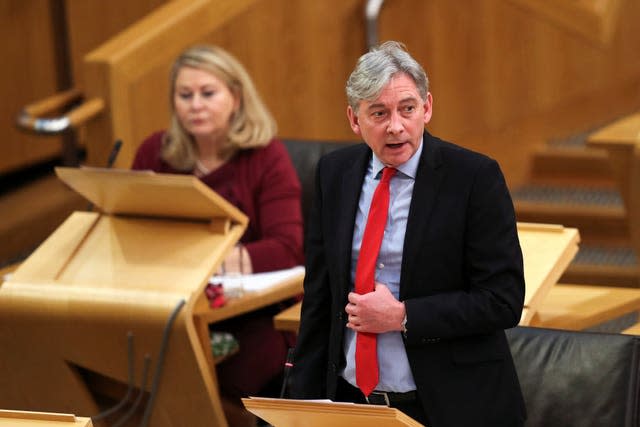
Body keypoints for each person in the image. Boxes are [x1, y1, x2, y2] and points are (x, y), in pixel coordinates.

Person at [290, 41, 526, 427]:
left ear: (427, 107)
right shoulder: (334, 174)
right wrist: (301, 403)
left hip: (448, 403)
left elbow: (503, 300)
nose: (396, 126)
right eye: (379, 113)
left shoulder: (474, 178)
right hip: (352, 400)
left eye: (408, 109)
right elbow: (320, 295)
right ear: (354, 119)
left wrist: (403, 316)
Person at [131, 44, 304, 426]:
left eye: (207, 94)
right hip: (166, 308)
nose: (195, 105)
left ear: (236, 98)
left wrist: (204, 259)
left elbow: (288, 248)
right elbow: (133, 232)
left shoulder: (265, 156)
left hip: (250, 315)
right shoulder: (154, 153)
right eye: (184, 95)